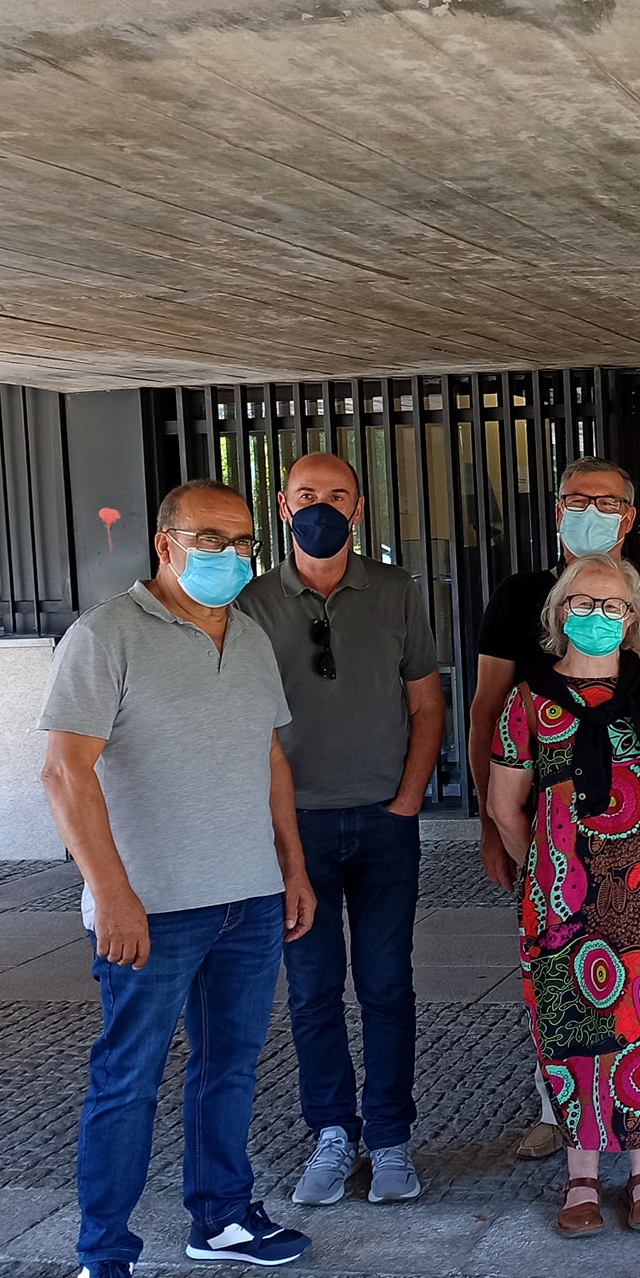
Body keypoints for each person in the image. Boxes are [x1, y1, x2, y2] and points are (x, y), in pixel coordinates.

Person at [39, 479, 318, 1278]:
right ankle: (104, 1254)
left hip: (249, 899)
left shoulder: (252, 635)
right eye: (211, 539)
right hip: (152, 910)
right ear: (166, 543)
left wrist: (291, 866)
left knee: (229, 1066)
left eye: (243, 541)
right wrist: (113, 893)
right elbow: (65, 772)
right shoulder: (105, 635)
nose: (231, 556)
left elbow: (269, 756)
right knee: (127, 1079)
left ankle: (222, 1215)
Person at [467, 455, 640, 1159]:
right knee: (565, 980)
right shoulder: (518, 595)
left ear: (631, 516)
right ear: (557, 511)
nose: (592, 513)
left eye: (607, 502)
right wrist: (500, 830)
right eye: (577, 500)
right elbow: (490, 710)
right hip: (557, 835)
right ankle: (564, 1115)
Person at [237, 453, 443, 1207]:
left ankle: (389, 1137)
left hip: (384, 823)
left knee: (387, 983)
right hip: (295, 831)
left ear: (358, 508)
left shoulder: (395, 591)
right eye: (305, 495)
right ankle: (331, 1130)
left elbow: (427, 702)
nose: (320, 506)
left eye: (336, 495)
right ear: (282, 506)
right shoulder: (250, 602)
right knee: (312, 988)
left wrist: (408, 800)